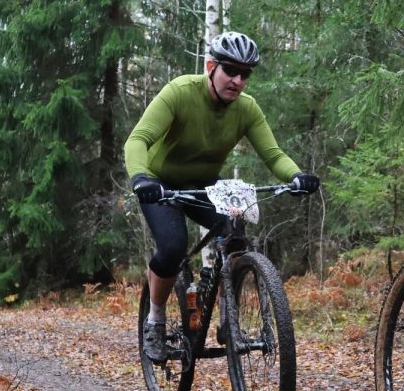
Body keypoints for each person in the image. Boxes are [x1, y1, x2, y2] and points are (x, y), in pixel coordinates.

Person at [125, 31, 320, 363]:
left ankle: (227, 314)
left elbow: (273, 155)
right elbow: (138, 139)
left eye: (245, 74)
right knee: (172, 247)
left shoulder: (246, 108)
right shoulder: (180, 92)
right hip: (161, 184)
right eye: (230, 70)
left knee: (234, 231)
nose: (238, 81)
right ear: (210, 67)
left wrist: (296, 176)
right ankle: (155, 320)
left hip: (204, 185)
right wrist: (141, 177)